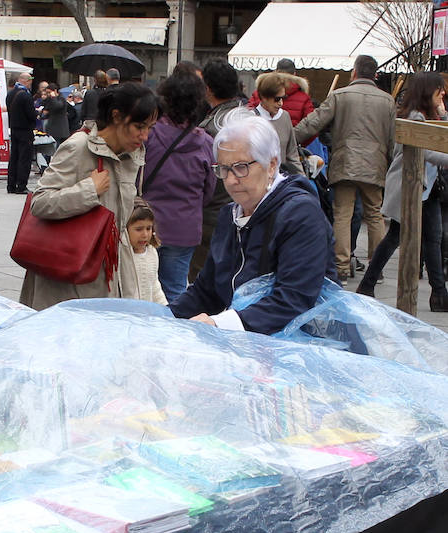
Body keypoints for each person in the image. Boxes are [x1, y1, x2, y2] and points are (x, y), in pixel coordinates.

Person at [170, 113, 338, 335]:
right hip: (250, 344)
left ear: (271, 165)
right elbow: (207, 289)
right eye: (224, 168)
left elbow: (295, 298)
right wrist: (165, 320)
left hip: (298, 347)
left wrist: (221, 323)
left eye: (241, 167)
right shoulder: (229, 215)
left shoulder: (300, 214)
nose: (230, 180)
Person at [19, 82, 159, 310]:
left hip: (111, 275)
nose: (144, 136)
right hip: (69, 277)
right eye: (139, 126)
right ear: (116, 116)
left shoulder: (129, 154)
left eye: (150, 128)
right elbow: (40, 202)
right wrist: (89, 190)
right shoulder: (79, 146)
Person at [294, 55, 396, 280]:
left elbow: (313, 122)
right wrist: (388, 162)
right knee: (374, 215)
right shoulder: (387, 101)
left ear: (354, 72)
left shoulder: (340, 96)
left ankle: (340, 267)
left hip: (344, 162)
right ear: (375, 74)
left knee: (342, 214)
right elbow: (392, 139)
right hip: (375, 164)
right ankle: (375, 268)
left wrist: (289, 137)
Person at [356, 72, 448, 312]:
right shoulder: (415, 116)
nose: (443, 94)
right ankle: (367, 284)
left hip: (426, 190)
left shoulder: (428, 115)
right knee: (397, 238)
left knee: (432, 240)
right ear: (429, 91)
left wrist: (443, 110)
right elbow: (425, 150)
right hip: (410, 188)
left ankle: (439, 294)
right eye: (440, 90)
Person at [140, 65, 215, 302]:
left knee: (141, 291)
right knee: (174, 291)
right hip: (184, 227)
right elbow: (209, 190)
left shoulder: (148, 135)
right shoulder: (206, 144)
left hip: (146, 224)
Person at [190, 58, 244, 282]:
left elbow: (201, 177)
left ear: (208, 89)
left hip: (215, 211)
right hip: (250, 207)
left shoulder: (208, 129)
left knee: (206, 278)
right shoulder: (254, 118)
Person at [250, 72, 302, 176]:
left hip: (282, 180)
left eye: (283, 98)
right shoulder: (251, 119)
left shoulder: (285, 116)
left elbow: (292, 155)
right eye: (277, 99)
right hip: (258, 180)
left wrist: (302, 181)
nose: (281, 103)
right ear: (264, 97)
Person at [247, 58, 314, 130]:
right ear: (294, 74)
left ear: (275, 71)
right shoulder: (304, 98)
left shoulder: (260, 93)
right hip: (292, 139)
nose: (280, 103)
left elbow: (248, 116)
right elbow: (309, 126)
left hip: (261, 137)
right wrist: (294, 138)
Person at [126, 198, 167, 305]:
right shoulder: (123, 256)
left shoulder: (152, 253)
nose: (145, 234)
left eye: (148, 228)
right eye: (139, 229)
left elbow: (155, 286)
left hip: (146, 315)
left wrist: (165, 308)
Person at [6, 71, 37, 195]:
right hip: (25, 130)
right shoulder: (25, 95)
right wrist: (37, 114)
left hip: (14, 128)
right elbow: (31, 114)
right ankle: (21, 185)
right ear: (25, 81)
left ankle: (11, 185)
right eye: (30, 80)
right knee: (24, 158)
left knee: (14, 157)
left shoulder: (10, 94)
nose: (30, 83)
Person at [40, 82, 70, 147]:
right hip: (51, 126)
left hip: (59, 128)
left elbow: (58, 106)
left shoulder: (61, 98)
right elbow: (46, 107)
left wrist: (54, 97)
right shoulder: (50, 99)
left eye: (49, 92)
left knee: (56, 146)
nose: (48, 94)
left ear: (55, 91)